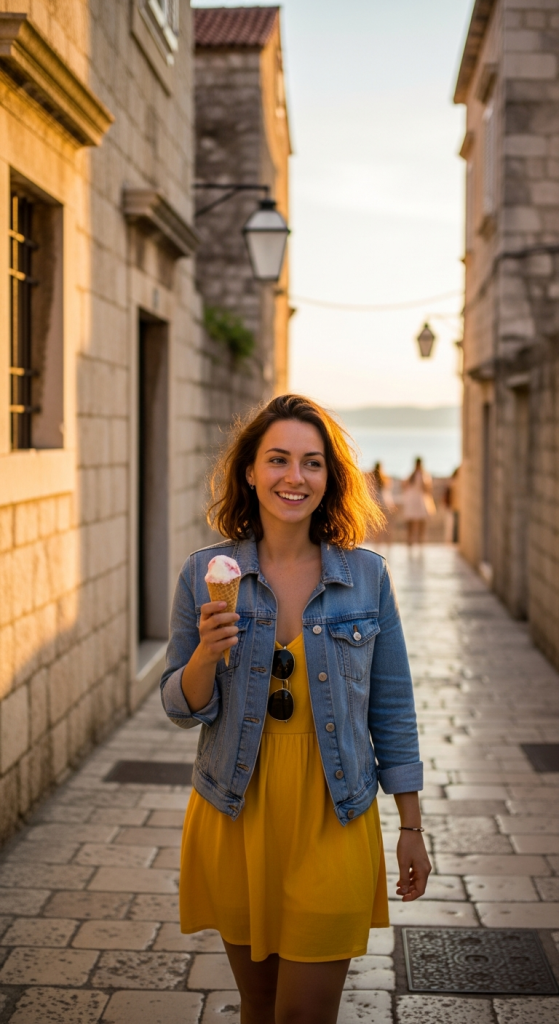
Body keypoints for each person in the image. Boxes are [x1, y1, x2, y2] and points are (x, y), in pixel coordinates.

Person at [161, 394, 431, 1024]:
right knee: (258, 1008)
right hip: (236, 811)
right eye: (278, 459)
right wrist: (206, 653)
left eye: (312, 463)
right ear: (249, 471)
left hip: (333, 814)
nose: (294, 477)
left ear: (330, 478)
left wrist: (411, 827)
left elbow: (393, 707)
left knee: (305, 1014)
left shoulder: (367, 578)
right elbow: (180, 706)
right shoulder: (204, 572)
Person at [401, 456, 436, 546]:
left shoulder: (424, 475)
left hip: (420, 500)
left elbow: (427, 488)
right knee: (411, 521)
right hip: (413, 500)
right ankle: (410, 540)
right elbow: (405, 486)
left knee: (421, 521)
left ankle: (421, 540)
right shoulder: (411, 475)